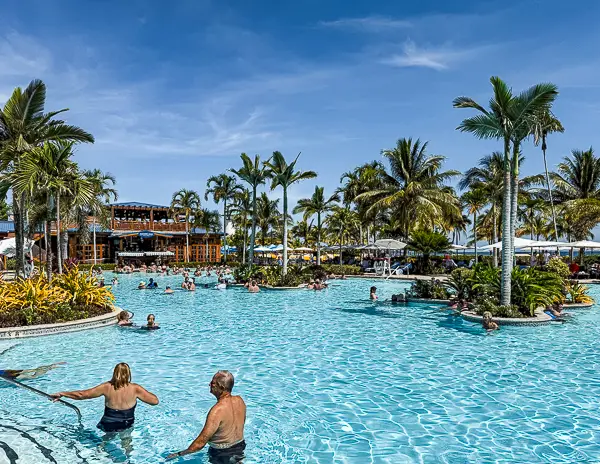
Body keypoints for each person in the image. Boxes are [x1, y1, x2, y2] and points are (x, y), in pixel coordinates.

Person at [51, 363, 159, 432]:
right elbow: (155, 402)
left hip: (108, 422)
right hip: (126, 423)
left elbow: (82, 395)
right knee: (127, 443)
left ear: (114, 373)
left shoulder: (106, 387)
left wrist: (62, 393)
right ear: (129, 374)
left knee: (105, 441)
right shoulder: (135, 388)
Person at [166, 371, 246, 462]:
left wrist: (179, 454)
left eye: (212, 383)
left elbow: (200, 443)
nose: (209, 384)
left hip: (221, 453)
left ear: (221, 387)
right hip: (240, 446)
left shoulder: (217, 411)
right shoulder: (240, 401)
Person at [0, 362, 66, 380]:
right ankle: (51, 366)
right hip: (5, 371)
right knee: (34, 370)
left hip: (7, 375)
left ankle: (51, 367)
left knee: (34, 376)